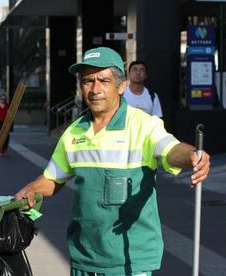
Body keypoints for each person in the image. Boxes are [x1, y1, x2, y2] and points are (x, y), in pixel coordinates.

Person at [14, 47, 210, 276]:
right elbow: (52, 179)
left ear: (121, 86)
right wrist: (30, 190)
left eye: (104, 80)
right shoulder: (73, 132)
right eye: (87, 81)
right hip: (84, 256)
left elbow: (171, 150)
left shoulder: (144, 125)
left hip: (130, 259)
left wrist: (192, 156)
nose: (95, 89)